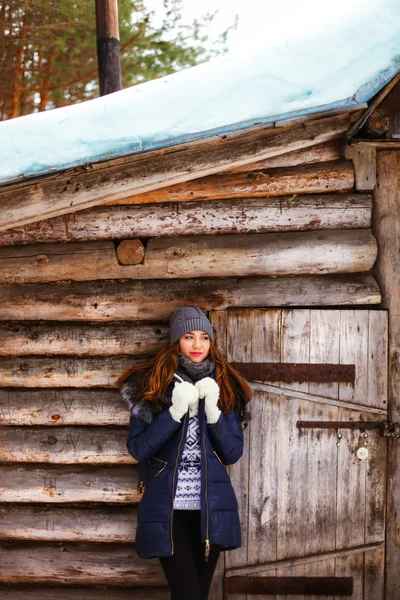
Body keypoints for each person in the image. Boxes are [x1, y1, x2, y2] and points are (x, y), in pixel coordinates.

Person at [118, 306, 252, 600]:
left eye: (204, 337)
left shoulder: (224, 386)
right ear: (176, 341)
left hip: (212, 507)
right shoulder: (153, 386)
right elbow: (139, 449)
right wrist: (174, 412)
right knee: (188, 594)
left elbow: (232, 453)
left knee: (197, 596)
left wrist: (214, 412)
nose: (197, 345)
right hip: (169, 508)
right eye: (189, 336)